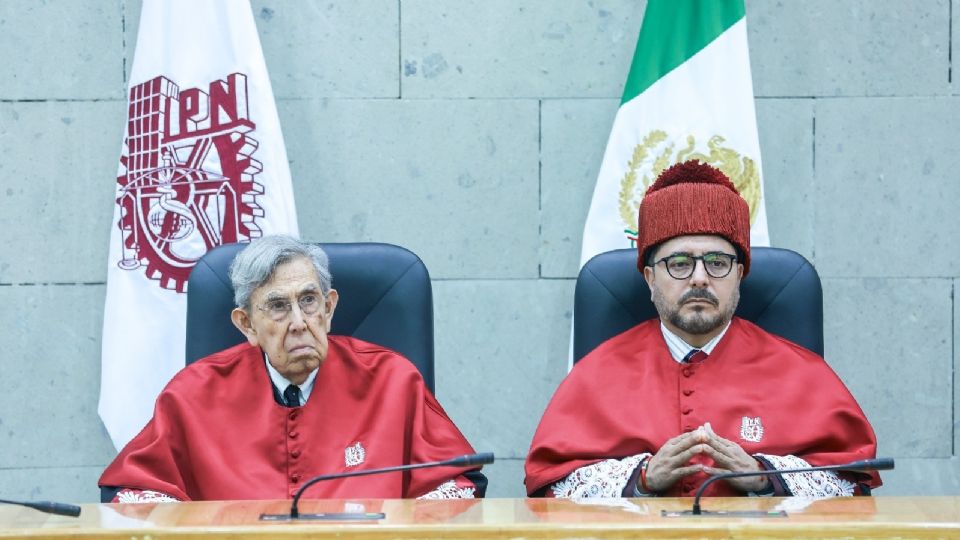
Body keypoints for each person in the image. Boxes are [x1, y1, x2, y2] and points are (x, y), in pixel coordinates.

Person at [525, 160, 880, 499]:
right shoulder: (597, 374)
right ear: (650, 279)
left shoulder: (801, 372)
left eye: (717, 263)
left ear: (739, 275)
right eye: (679, 263)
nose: (699, 278)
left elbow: (850, 483)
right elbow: (551, 488)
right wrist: (642, 479)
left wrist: (764, 476)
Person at [100, 235, 485, 502]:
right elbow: (134, 492)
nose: (299, 322)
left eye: (309, 301)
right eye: (278, 306)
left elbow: (455, 485)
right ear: (246, 325)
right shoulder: (193, 393)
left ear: (329, 308)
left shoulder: (393, 381)